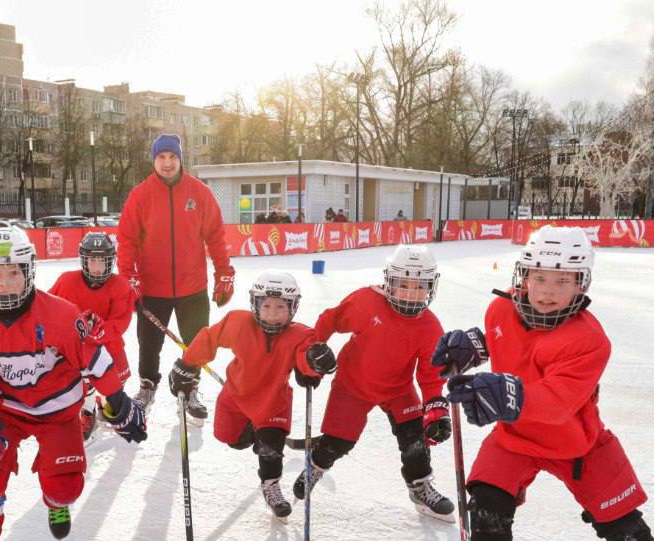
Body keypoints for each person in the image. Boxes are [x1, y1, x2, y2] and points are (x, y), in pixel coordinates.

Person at [431, 225, 654, 541]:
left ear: (581, 283)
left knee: (622, 522)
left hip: (577, 443)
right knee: (487, 505)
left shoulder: (590, 341)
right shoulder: (500, 310)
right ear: (523, 276)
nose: (548, 291)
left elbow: (556, 402)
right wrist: (473, 347)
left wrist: (503, 392)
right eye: (539, 277)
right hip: (514, 437)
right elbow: (504, 340)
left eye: (563, 280)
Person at [0, 226, 147, 541]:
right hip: (8, 412)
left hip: (58, 413)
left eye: (12, 272)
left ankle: (56, 503)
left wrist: (117, 400)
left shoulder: (61, 316)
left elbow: (95, 360)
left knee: (65, 485)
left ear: (28, 272)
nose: (4, 282)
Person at [293, 244, 454, 520]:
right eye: (403, 284)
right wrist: (312, 351)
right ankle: (315, 466)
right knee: (338, 443)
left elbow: (430, 374)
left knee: (415, 438)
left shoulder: (430, 326)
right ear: (388, 281)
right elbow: (330, 320)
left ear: (431, 287)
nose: (411, 293)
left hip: (398, 390)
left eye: (419, 286)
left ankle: (420, 486)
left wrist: (435, 406)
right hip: (352, 385)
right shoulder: (367, 302)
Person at [168, 271, 336, 518]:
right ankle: (254, 434)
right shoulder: (238, 322)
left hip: (273, 403)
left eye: (281, 307)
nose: (272, 312)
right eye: (266, 306)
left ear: (293, 308)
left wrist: (315, 365)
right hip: (235, 397)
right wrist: (188, 364)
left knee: (270, 449)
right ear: (255, 304)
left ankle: (271, 485)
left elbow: (305, 357)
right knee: (231, 439)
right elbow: (210, 338)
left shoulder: (300, 334)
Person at [117, 133, 234, 424]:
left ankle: (191, 387)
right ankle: (148, 385)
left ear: (180, 159)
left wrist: (224, 273)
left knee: (196, 341)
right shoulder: (140, 195)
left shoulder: (200, 192)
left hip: (192, 286)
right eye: (161, 157)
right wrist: (128, 277)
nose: (167, 163)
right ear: (153, 160)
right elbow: (127, 240)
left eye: (172, 157)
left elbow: (216, 236)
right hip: (151, 287)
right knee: (149, 343)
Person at [48, 231, 136, 441]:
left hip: (109, 345)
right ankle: (88, 413)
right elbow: (49, 307)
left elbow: (119, 323)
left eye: (102, 261)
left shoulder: (121, 286)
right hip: (78, 347)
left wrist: (99, 328)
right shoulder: (67, 281)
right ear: (84, 261)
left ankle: (104, 404)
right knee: (83, 379)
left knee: (117, 379)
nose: (97, 266)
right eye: (92, 260)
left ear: (111, 262)